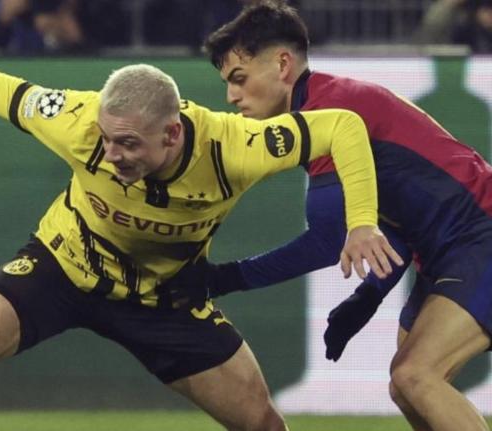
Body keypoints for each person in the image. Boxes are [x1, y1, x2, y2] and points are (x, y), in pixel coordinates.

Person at [0, 62, 401, 431]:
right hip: (62, 266)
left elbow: (342, 126)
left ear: (172, 133)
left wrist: (361, 222)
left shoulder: (234, 147)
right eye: (107, 140)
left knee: (263, 424)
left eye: (129, 145)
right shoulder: (76, 119)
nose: (112, 156)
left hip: (163, 298)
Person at [158, 1, 492, 430]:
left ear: (282, 64)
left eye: (239, 79)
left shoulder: (325, 113)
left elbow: (327, 241)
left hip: (479, 238)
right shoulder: (324, 107)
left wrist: (222, 279)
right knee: (407, 384)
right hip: (451, 250)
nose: (231, 97)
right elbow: (395, 225)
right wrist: (367, 297)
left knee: (417, 375)